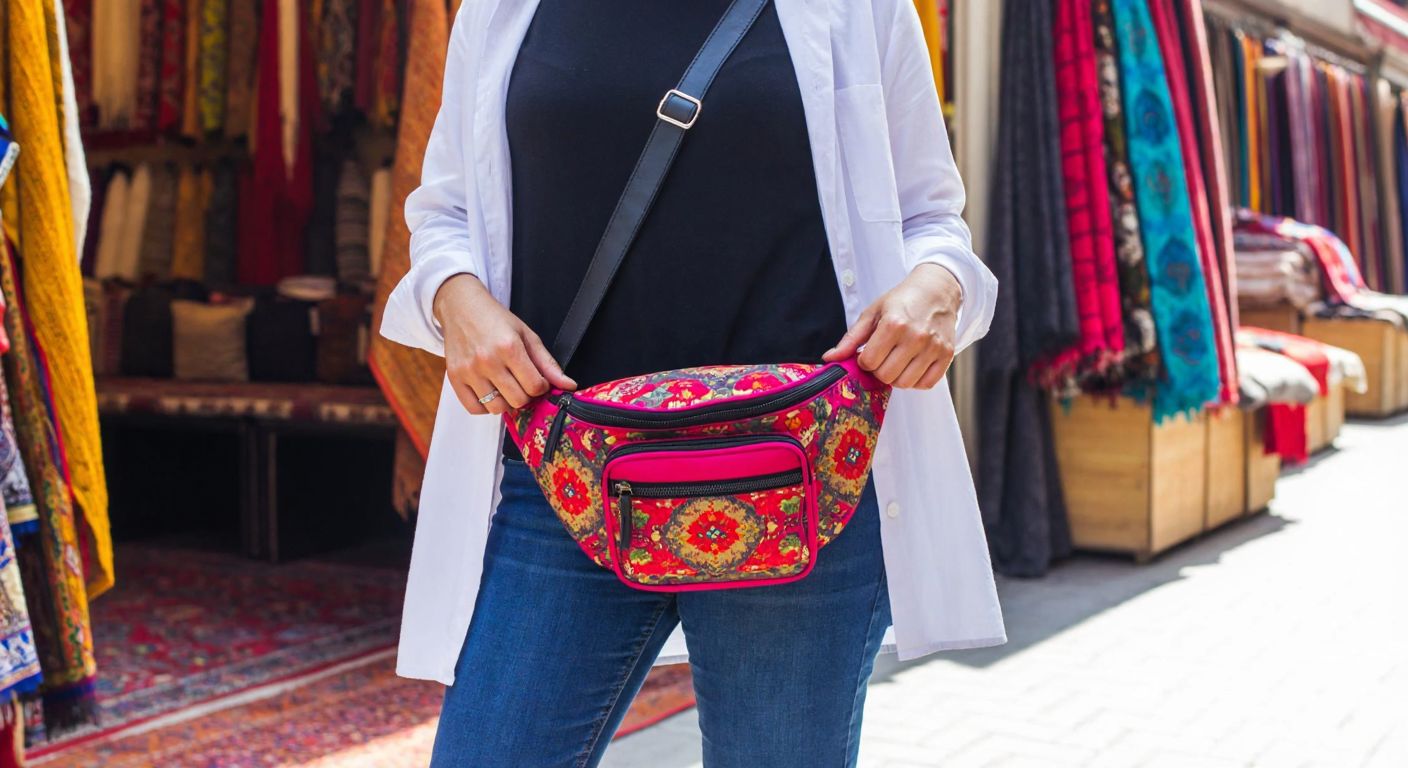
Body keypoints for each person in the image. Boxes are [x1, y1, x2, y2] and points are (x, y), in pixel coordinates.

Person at [379, 1, 1005, 765]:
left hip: (797, 485)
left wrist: (937, 288)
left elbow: (932, 217)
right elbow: (443, 213)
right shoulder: (503, 8)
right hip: (564, 474)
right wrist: (455, 298)